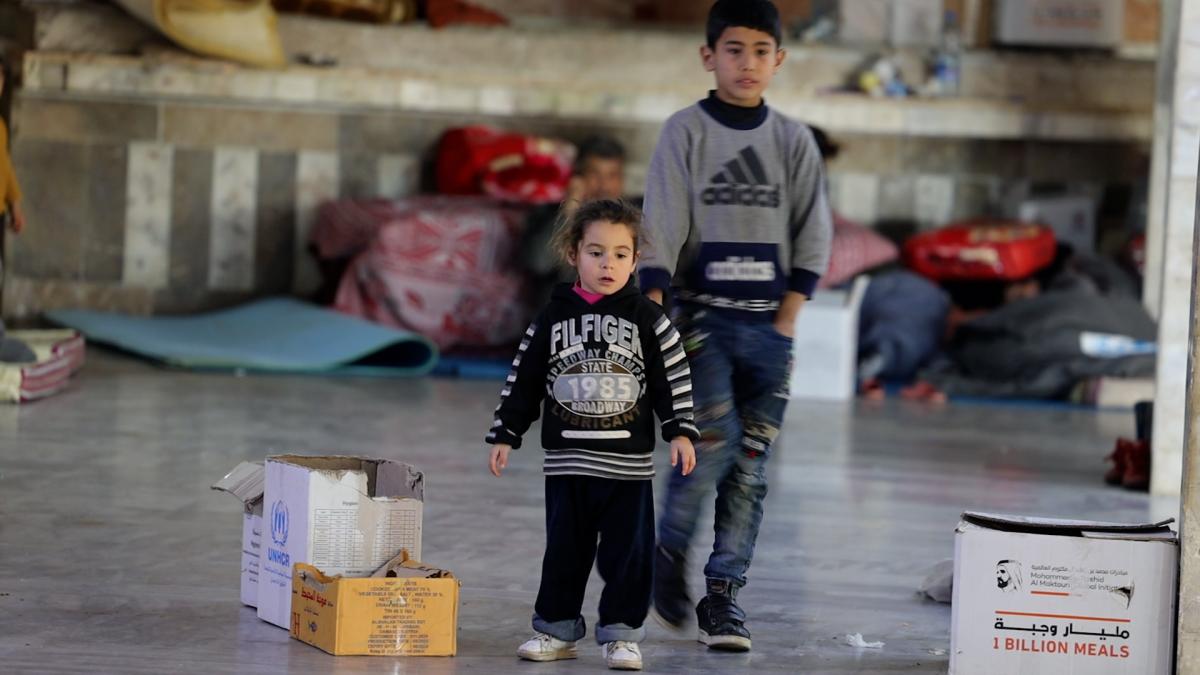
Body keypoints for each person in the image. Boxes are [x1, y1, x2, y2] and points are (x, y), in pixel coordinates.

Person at [637, 0, 832, 652]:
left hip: (769, 332)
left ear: (779, 60)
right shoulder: (685, 132)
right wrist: (657, 308)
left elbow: (814, 232)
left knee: (750, 467)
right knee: (709, 445)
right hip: (701, 323)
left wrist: (786, 321)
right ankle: (668, 550)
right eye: (733, 49)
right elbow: (661, 219)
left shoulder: (792, 141)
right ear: (707, 56)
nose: (746, 63)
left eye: (759, 51)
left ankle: (724, 597)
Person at [487, 199, 700, 671]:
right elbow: (524, 377)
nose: (608, 264)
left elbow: (673, 376)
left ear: (635, 260)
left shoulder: (648, 318)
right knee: (564, 550)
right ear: (573, 253)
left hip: (627, 467)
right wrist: (506, 432)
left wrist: (680, 430)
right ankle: (556, 630)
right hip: (567, 464)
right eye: (596, 252)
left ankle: (622, 634)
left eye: (621, 254)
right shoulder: (552, 316)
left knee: (629, 554)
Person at [520, 135, 633, 306]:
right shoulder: (553, 212)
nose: (604, 185)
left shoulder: (635, 220)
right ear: (578, 177)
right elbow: (538, 263)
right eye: (595, 174)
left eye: (612, 175)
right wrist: (570, 210)